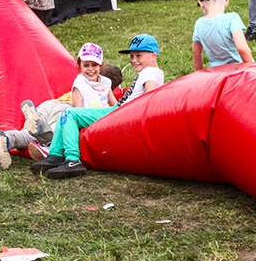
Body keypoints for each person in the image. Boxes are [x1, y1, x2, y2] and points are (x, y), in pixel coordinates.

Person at [33, 34, 165, 180]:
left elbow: (151, 96)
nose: (133, 60)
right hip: (121, 111)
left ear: (153, 56)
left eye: (138, 56)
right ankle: (55, 155)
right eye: (132, 56)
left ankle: (71, 159)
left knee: (69, 114)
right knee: (67, 114)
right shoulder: (156, 72)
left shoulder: (148, 72)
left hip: (122, 114)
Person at [0, 45, 121, 169]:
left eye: (94, 65)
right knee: (55, 133)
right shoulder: (84, 85)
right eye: (87, 65)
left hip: (49, 104)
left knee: (29, 133)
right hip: (64, 109)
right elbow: (78, 112)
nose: (90, 69)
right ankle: (45, 142)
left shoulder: (91, 83)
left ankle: (7, 138)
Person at [192, 0, 253, 70]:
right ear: (226, 2)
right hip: (238, 70)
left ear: (201, 4)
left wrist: (199, 73)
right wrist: (251, 67)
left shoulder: (199, 24)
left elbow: (196, 53)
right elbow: (242, 48)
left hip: (216, 72)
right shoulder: (232, 19)